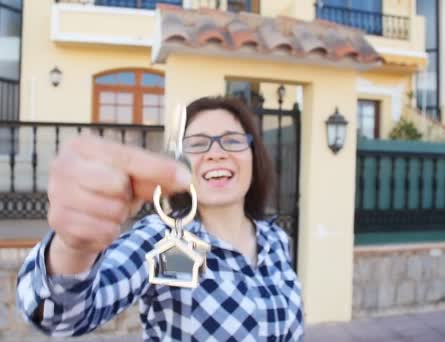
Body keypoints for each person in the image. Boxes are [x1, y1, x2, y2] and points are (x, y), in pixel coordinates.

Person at [16, 96, 304, 341]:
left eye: (232, 141)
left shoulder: (275, 240)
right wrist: (73, 247)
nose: (217, 153)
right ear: (179, 160)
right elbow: (60, 316)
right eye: (198, 143)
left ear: (254, 155)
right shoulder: (163, 237)